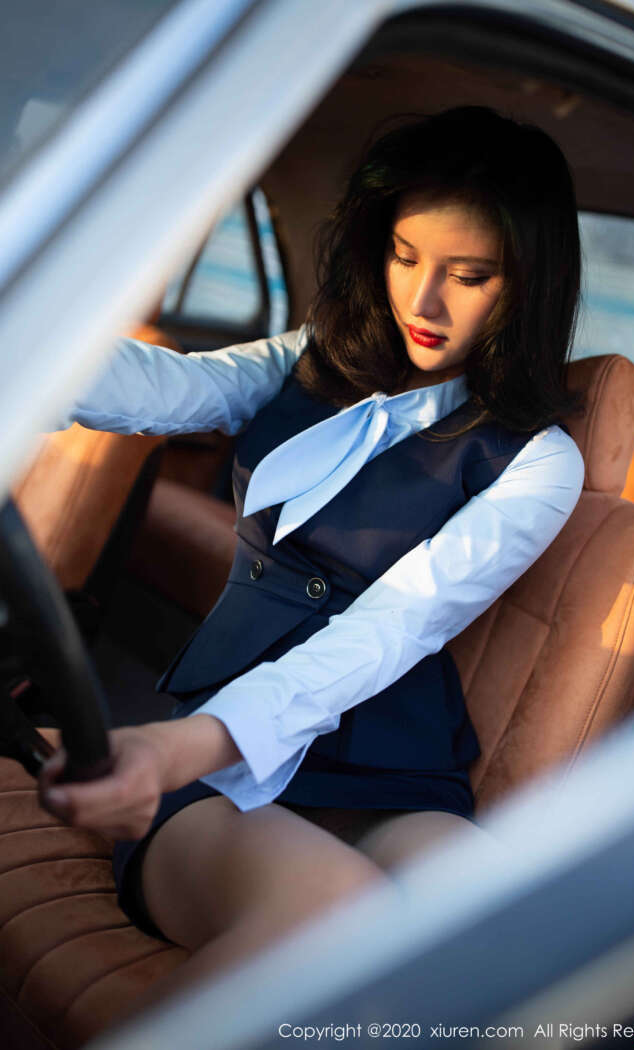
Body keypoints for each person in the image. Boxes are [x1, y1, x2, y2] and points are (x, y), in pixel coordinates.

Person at [39, 106, 585, 991]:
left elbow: (393, 627)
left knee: (502, 943)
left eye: (468, 276)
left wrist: (186, 747)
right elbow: (168, 388)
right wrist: (30, 337)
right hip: (222, 738)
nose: (423, 301)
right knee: (331, 915)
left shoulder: (539, 462)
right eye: (404, 257)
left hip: (388, 763)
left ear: (529, 284)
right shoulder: (311, 358)